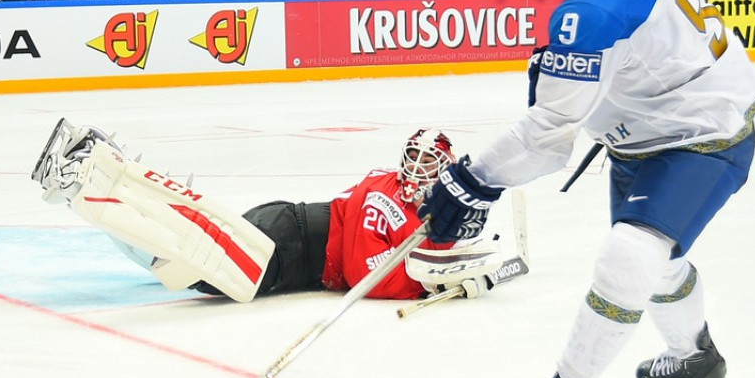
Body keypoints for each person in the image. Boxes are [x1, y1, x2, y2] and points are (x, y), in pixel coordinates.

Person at [418, 0, 755, 378]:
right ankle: (696, 355)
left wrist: (473, 181)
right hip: (652, 127)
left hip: (703, 133)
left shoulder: (595, 13)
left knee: (629, 256)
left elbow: (550, 136)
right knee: (653, 264)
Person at [34, 122, 482, 303]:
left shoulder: (416, 206)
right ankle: (90, 177)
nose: (418, 172)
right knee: (194, 264)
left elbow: (426, 248)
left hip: (293, 245)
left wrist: (451, 253)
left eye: (429, 165)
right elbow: (361, 271)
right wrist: (424, 283)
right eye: (415, 160)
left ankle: (94, 178)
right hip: (289, 244)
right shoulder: (383, 195)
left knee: (189, 259)